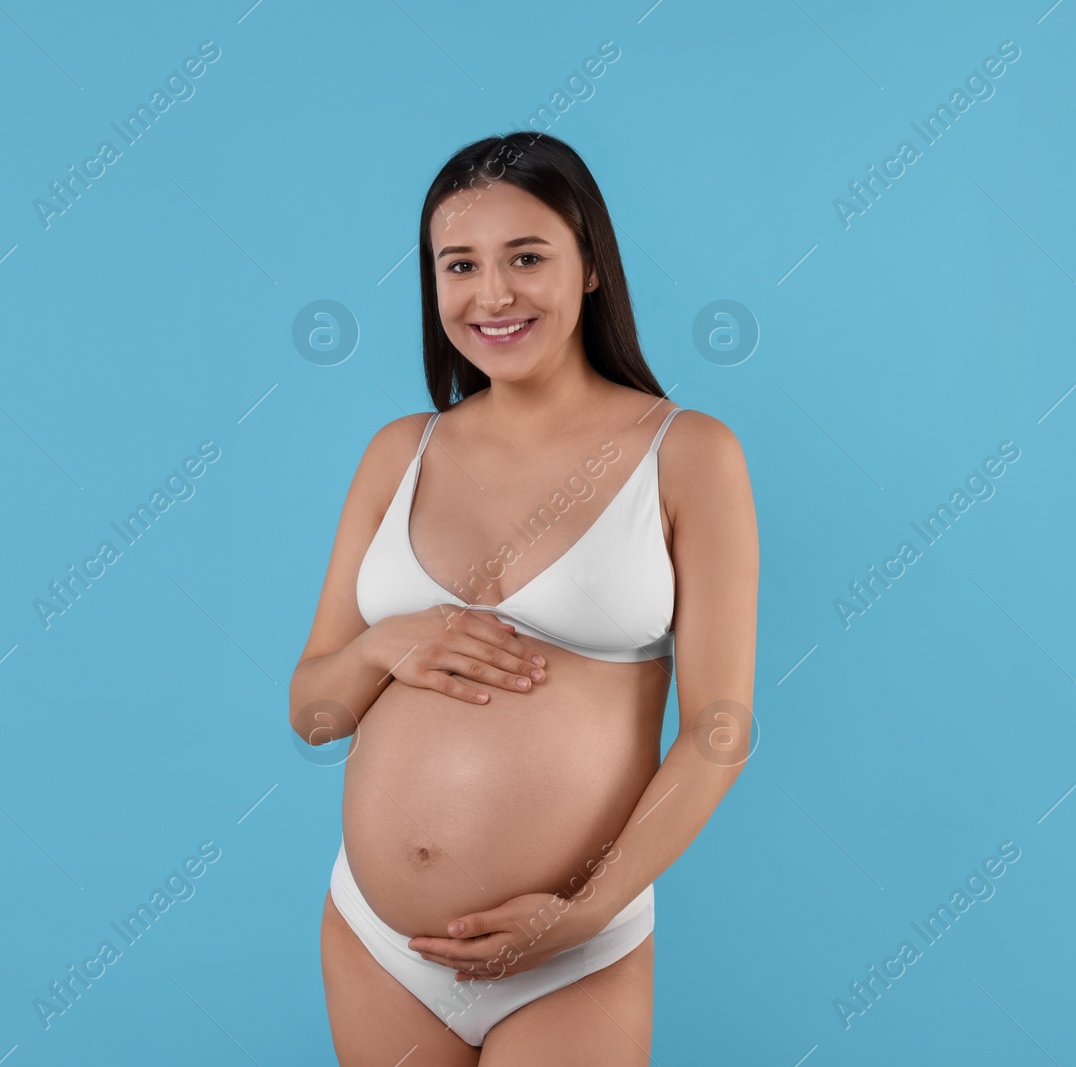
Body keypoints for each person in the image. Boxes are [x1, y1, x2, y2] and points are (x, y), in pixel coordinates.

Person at [290, 131, 759, 1065]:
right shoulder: (400, 452)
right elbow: (313, 712)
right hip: (379, 943)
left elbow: (719, 729)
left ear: (591, 266)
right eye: (459, 264)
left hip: (574, 950)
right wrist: (388, 646)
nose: (491, 294)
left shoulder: (689, 454)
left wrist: (584, 911)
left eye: (527, 258)